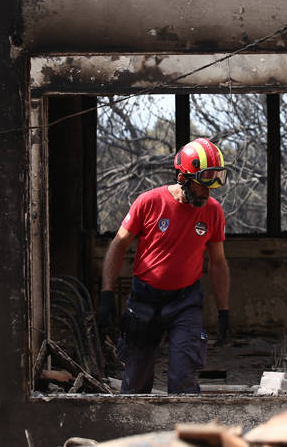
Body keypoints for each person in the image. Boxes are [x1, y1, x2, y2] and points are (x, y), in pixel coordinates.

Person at [98, 137, 231, 394]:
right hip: (144, 300)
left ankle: (185, 433)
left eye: (213, 183)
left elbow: (218, 262)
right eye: (203, 184)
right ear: (183, 178)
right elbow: (118, 245)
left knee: (182, 377)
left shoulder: (213, 211)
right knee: (135, 380)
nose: (209, 191)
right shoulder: (149, 203)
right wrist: (106, 293)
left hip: (185, 301)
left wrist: (224, 310)